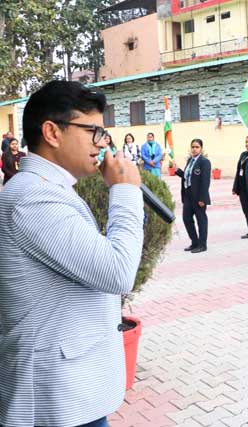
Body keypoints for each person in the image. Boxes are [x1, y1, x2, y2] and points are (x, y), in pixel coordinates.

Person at [0, 80, 144, 427]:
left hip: (71, 393)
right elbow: (118, 272)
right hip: (57, 401)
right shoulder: (33, 198)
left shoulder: (49, 189)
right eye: (92, 131)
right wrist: (125, 191)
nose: (102, 143)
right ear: (52, 132)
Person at [175, 139, 211, 254]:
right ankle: (194, 242)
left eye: (197, 147)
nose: (194, 149)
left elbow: (205, 181)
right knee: (186, 219)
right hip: (188, 195)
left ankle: (202, 244)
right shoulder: (190, 160)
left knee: (201, 220)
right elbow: (187, 176)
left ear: (201, 148)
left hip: (198, 196)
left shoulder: (204, 162)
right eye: (193, 147)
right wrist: (178, 171)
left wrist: (203, 198)